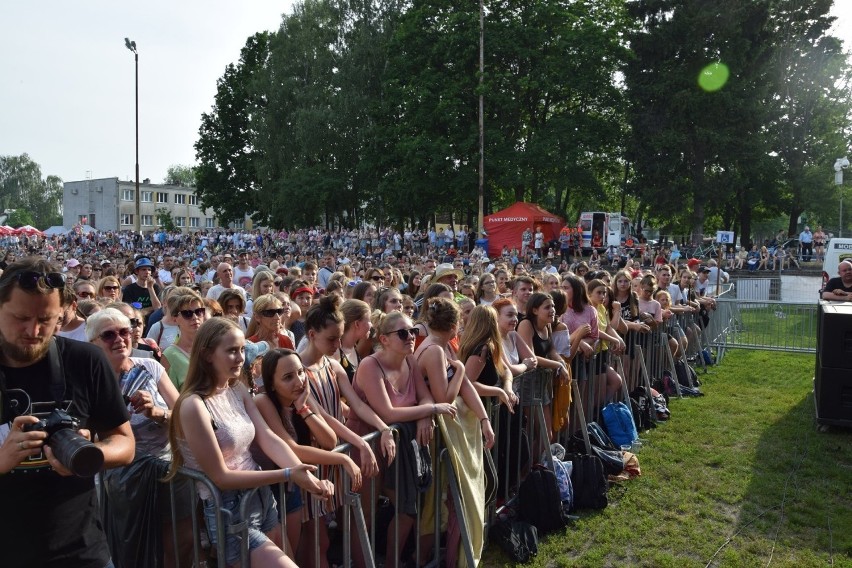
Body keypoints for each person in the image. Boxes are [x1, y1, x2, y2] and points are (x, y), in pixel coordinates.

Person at [166, 318, 333, 568]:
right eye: (232, 351)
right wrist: (288, 473)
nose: (240, 358)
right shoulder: (193, 405)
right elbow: (220, 476)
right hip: (229, 510)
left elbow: (269, 439)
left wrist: (306, 476)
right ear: (207, 355)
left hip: (261, 499)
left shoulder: (237, 389)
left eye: (242, 350)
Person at [0, 257, 134, 567]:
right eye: (20, 317)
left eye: (46, 319)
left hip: (81, 551)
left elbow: (125, 444)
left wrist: (90, 452)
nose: (33, 330)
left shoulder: (86, 360)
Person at [87, 308, 191, 568]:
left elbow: (184, 416)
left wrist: (157, 413)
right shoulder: (88, 381)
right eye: (109, 335)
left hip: (167, 467)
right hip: (121, 480)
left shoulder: (151, 366)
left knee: (181, 542)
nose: (120, 339)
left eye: (124, 331)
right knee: (134, 548)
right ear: (93, 344)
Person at [255, 348, 362, 558]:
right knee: (286, 556)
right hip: (271, 489)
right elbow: (291, 449)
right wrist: (342, 458)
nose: (298, 381)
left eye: (300, 372)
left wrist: (303, 408)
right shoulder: (263, 401)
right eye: (288, 377)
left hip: (295, 486)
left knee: (299, 550)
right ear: (272, 384)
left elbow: (329, 441)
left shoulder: (302, 395)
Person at [161, 290, 208, 390]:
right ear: (175, 319)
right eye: (187, 313)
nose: (195, 317)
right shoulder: (169, 356)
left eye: (199, 312)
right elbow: (170, 400)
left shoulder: (214, 346)